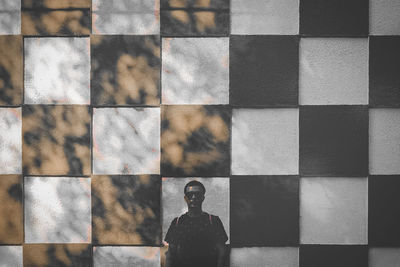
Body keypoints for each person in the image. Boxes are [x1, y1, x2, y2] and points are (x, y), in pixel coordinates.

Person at [164, 180, 228, 267]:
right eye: (190, 194)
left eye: (197, 194)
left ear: (203, 198)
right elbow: (171, 254)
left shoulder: (213, 220)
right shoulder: (177, 222)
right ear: (185, 198)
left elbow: (222, 252)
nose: (194, 197)